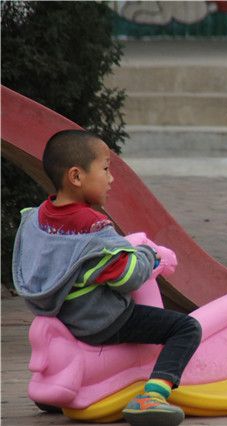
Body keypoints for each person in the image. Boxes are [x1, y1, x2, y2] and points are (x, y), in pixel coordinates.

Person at [12, 130, 201, 426]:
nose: (111, 179)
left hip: (61, 315)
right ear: (76, 176)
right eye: (105, 169)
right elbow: (127, 277)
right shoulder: (93, 226)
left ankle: (57, 387)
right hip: (100, 322)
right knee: (185, 327)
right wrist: (147, 255)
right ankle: (154, 393)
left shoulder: (37, 218)